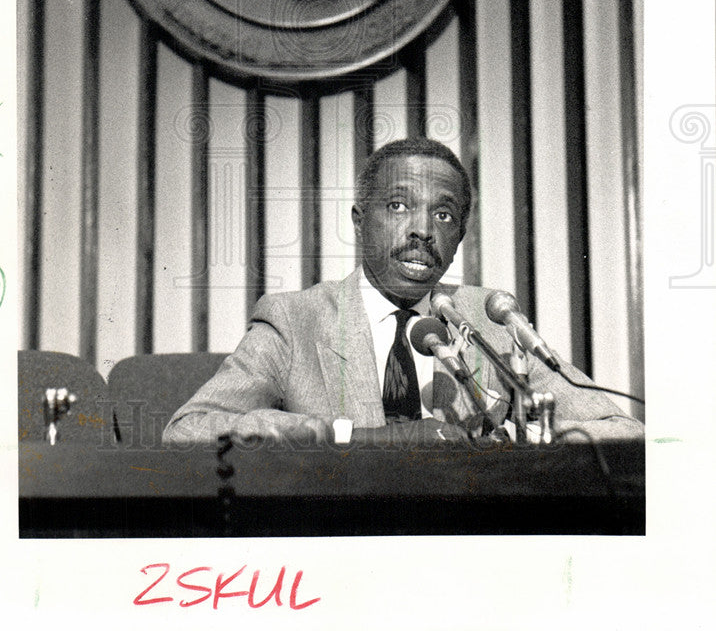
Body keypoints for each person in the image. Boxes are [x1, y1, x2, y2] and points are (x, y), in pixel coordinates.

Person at [163, 138, 644, 445]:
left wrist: (522, 435)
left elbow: (620, 431)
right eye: (397, 206)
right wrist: (342, 435)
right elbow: (189, 429)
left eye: (443, 215)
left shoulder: (486, 317)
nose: (422, 231)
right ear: (359, 221)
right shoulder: (295, 320)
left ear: (460, 234)